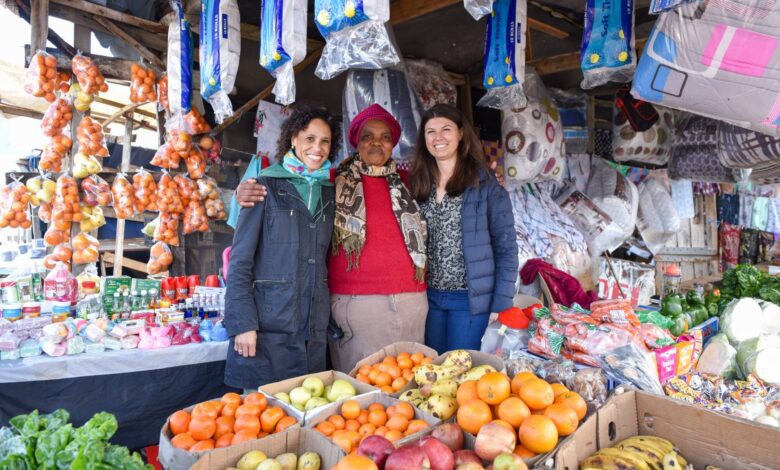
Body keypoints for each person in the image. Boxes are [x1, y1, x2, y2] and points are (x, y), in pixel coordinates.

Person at [235, 104, 428, 373]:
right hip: (354, 307)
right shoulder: (332, 182)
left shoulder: (410, 183)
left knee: (410, 387)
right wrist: (244, 191)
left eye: (385, 137)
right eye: (367, 136)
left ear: (393, 144)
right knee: (361, 396)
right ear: (355, 143)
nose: (376, 142)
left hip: (411, 303)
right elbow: (241, 259)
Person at [224, 105, 340, 390]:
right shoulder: (264, 186)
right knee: (261, 420)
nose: (318, 148)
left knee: (306, 419)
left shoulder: (330, 193)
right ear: (293, 139)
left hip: (311, 330)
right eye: (310, 138)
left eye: (325, 141)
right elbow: (239, 262)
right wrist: (242, 323)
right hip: (267, 330)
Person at [409, 103, 518, 354]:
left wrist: (501, 304)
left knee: (462, 376)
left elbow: (507, 247)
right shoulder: (418, 184)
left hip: (469, 301)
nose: (438, 138)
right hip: (429, 299)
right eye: (430, 131)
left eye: (446, 129)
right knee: (433, 372)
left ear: (460, 133)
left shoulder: (485, 184)